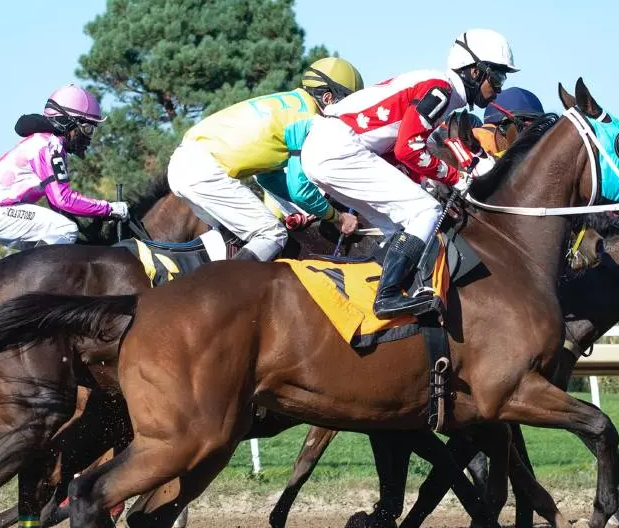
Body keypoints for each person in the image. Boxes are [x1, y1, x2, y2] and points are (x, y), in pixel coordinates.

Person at [300, 29, 519, 318]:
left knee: (401, 227)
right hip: (338, 147)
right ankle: (386, 296)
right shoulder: (441, 90)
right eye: (498, 77)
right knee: (426, 212)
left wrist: (430, 181)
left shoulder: (440, 90)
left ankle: (375, 292)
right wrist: (456, 178)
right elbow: (407, 148)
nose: (500, 88)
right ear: (475, 72)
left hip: (327, 148)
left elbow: (394, 149)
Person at [167, 57, 365, 261]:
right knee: (272, 234)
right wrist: (337, 217)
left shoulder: (289, 103)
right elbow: (301, 192)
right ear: (328, 98)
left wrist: (316, 208)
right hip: (203, 172)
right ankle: (230, 288)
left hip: (182, 164)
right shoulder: (308, 121)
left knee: (235, 240)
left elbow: (268, 178)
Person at [0, 85, 129, 249]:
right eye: (87, 128)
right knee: (64, 229)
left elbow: (56, 204)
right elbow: (63, 199)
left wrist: (94, 216)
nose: (89, 137)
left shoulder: (47, 142)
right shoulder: (51, 146)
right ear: (68, 122)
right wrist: (109, 208)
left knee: (46, 241)